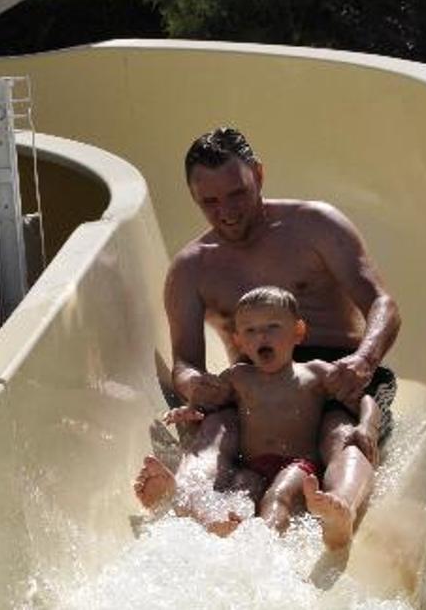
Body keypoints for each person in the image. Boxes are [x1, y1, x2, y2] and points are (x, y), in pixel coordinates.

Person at [133, 127, 400, 548]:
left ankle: (341, 508)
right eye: (209, 202)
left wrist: (364, 361)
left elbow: (383, 304)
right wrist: (196, 385)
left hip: (337, 371)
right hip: (257, 383)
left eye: (237, 193)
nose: (226, 211)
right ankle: (193, 500)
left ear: (258, 174)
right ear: (194, 198)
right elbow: (185, 362)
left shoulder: (316, 225)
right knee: (215, 429)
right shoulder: (191, 268)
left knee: (341, 432)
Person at [164, 286, 380, 540]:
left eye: (273, 327)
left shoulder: (315, 374)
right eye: (250, 330)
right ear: (238, 340)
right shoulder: (237, 377)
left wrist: (366, 426)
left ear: (298, 332)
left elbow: (364, 399)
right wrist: (190, 412)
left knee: (279, 495)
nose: (261, 336)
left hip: (299, 464)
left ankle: (270, 542)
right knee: (240, 491)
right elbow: (210, 404)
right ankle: (229, 530)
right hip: (252, 465)